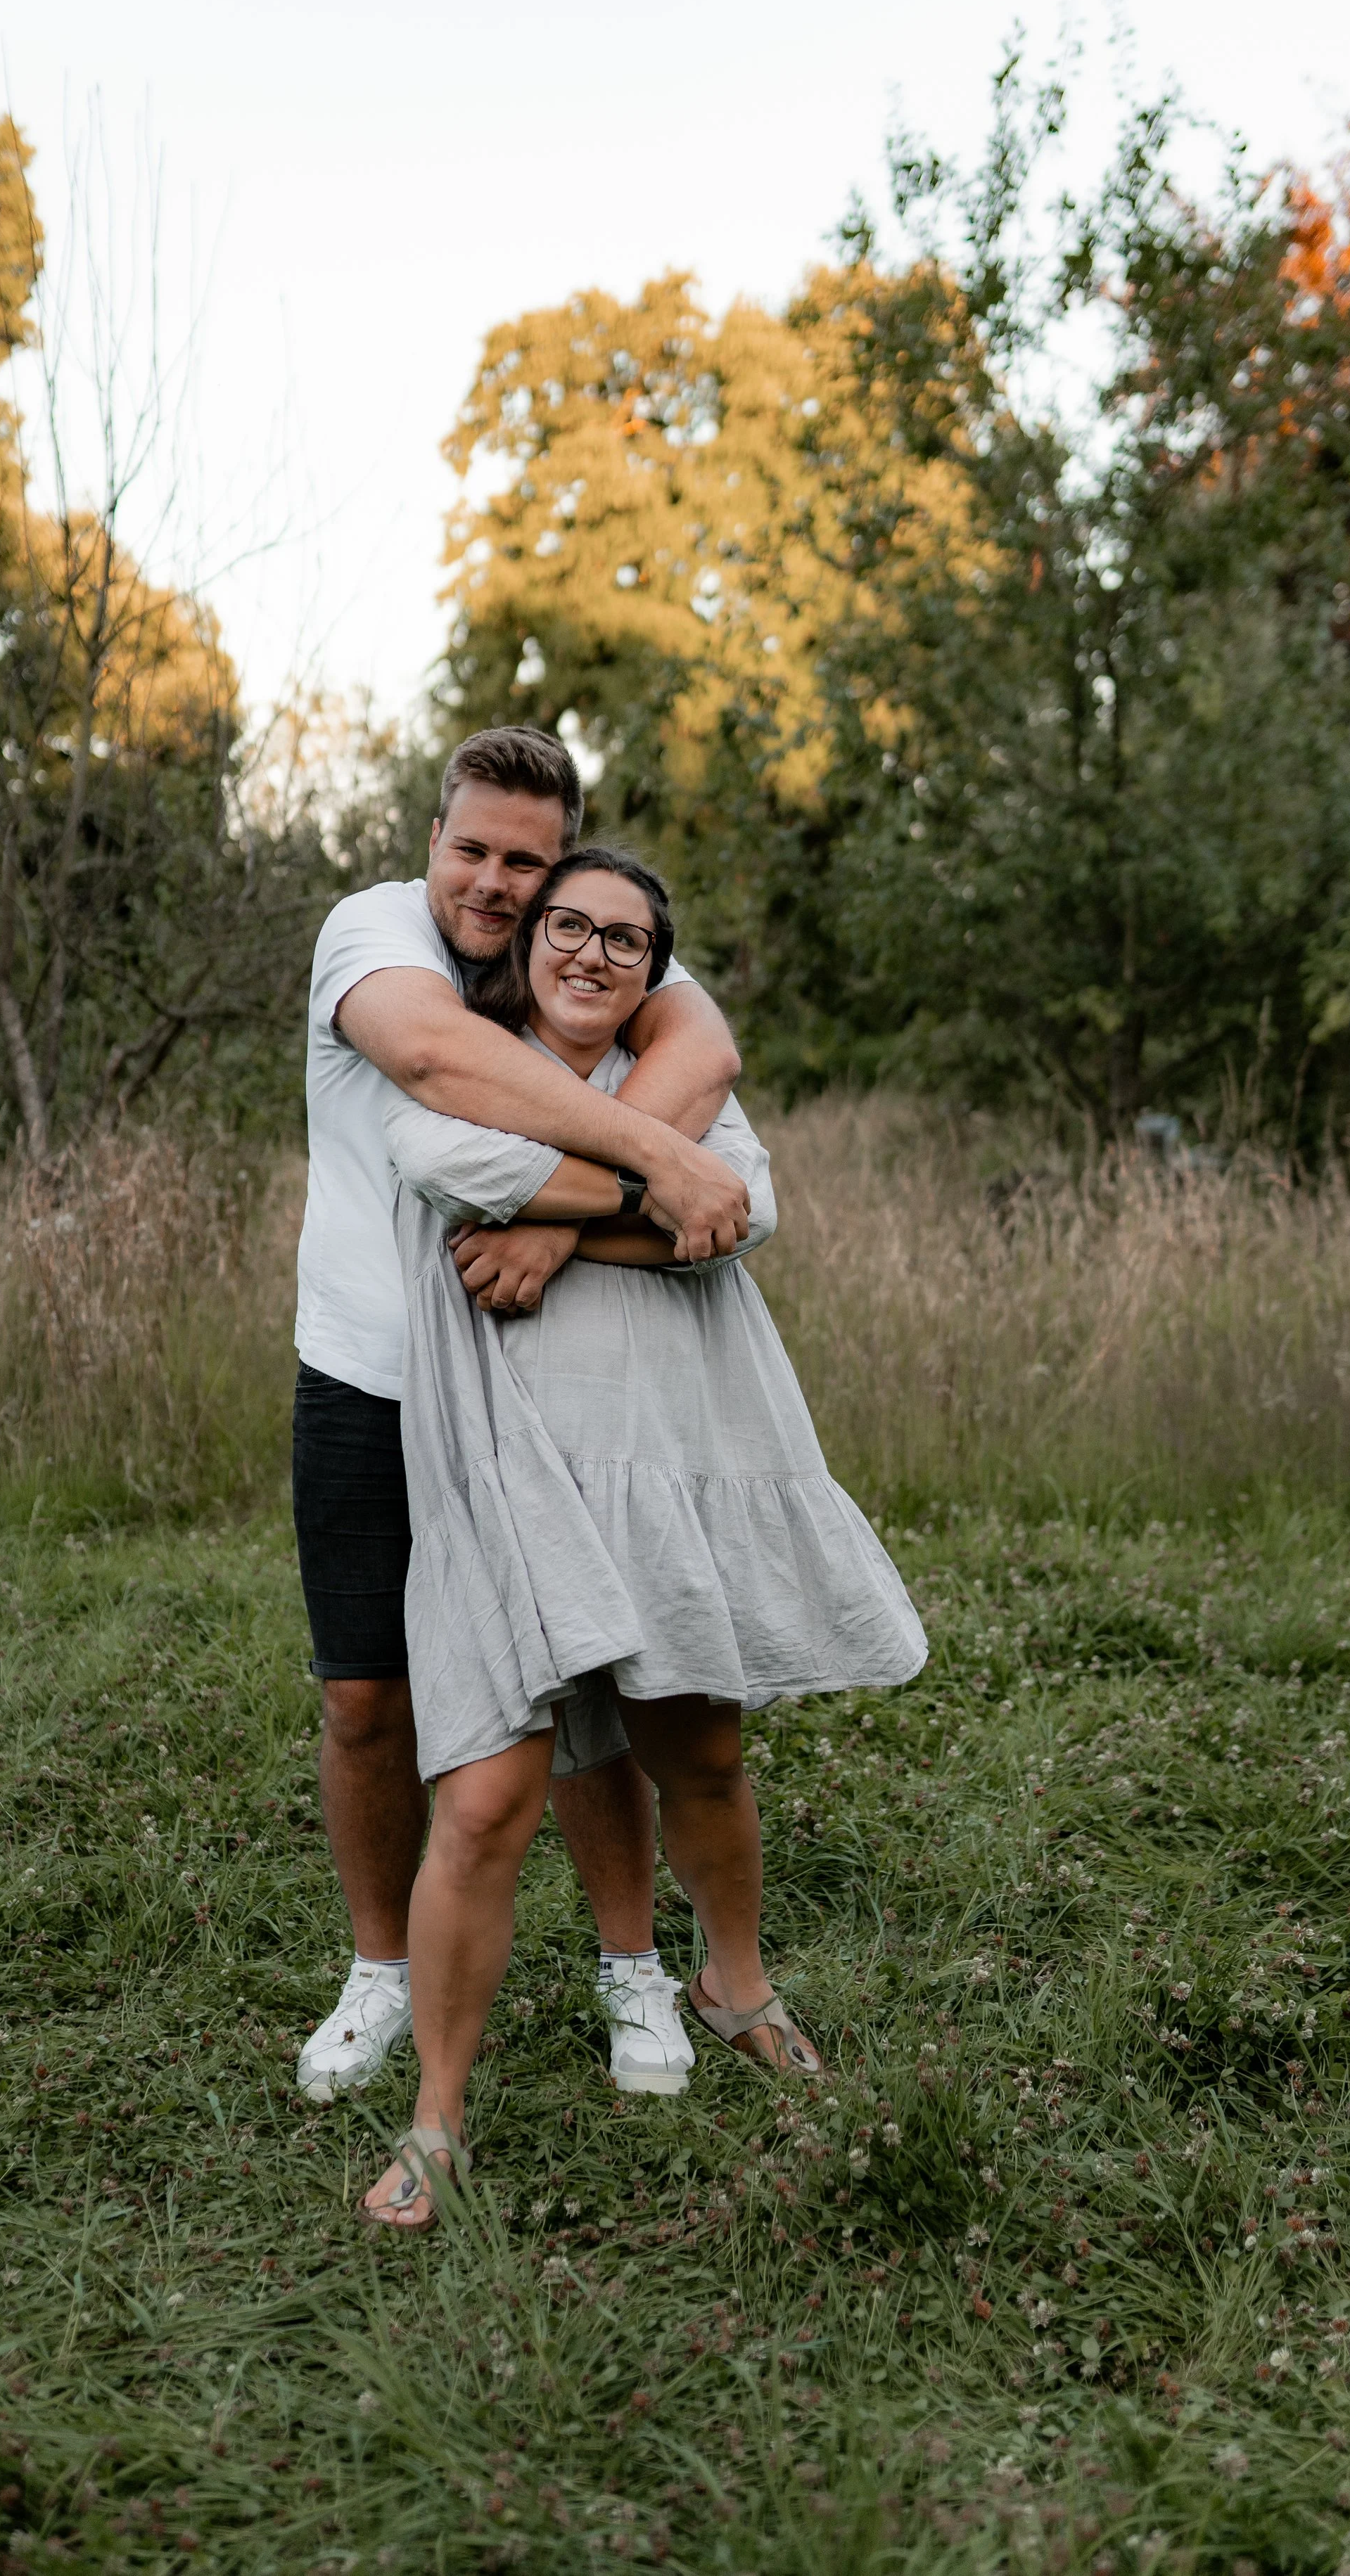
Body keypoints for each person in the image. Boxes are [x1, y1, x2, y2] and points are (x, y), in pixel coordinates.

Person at [359, 846, 927, 2229]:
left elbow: (743, 1210)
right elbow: (443, 1169)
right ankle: (436, 2120)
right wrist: (653, 1196)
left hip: (671, 1466)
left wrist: (551, 1238)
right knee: (484, 1800)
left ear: (652, 967)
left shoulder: (686, 1087)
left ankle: (731, 1985)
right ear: (526, 942)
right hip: (516, 1475)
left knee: (703, 1750)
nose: (592, 955)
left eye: (626, 940)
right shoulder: (471, 1063)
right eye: (569, 927)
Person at [292, 727, 753, 2105]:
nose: (492, 883)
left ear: (564, 868)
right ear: (430, 840)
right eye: (471, 850)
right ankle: (380, 1968)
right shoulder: (373, 934)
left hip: (525, 1383)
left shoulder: (578, 949)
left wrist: (551, 1235)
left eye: (525, 861)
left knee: (590, 1702)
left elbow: (702, 1033)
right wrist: (658, 1162)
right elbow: (434, 1072)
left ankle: (634, 1967)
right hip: (368, 1380)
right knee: (366, 1702)